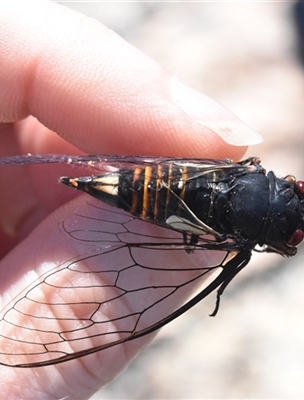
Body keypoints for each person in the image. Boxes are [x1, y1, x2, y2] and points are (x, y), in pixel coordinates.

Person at [0, 2, 261, 398]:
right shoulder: (239, 248)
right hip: (161, 210)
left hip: (158, 177)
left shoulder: (249, 175)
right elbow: (222, 275)